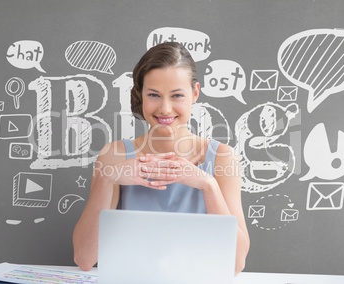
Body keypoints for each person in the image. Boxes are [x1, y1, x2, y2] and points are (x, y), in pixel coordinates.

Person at [72, 42, 250, 274]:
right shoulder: (114, 156)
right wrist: (109, 179)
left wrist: (208, 184)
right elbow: (85, 258)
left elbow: (236, 264)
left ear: (195, 93)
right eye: (154, 95)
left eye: (177, 95)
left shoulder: (222, 158)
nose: (165, 109)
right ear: (140, 95)